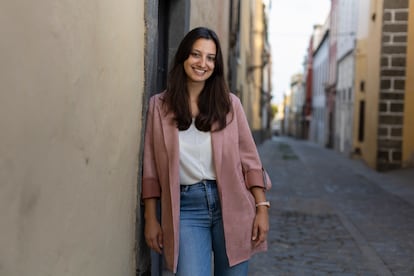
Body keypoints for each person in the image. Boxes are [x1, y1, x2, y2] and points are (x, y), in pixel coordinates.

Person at [142, 26, 271, 276]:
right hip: (186, 208)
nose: (203, 63)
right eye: (196, 55)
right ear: (183, 57)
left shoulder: (229, 104)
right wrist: (151, 218)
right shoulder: (159, 106)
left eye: (210, 58)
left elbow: (250, 162)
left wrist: (262, 208)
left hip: (232, 203)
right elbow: (151, 170)